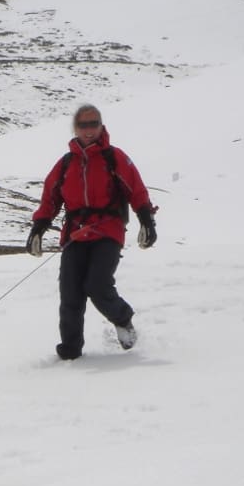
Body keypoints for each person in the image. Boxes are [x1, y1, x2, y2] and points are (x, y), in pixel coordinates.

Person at [26, 104, 157, 360]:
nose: (89, 130)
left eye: (94, 124)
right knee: (70, 291)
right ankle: (70, 350)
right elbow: (50, 199)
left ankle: (123, 319)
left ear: (101, 126)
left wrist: (146, 220)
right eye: (83, 125)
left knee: (97, 285)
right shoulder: (65, 164)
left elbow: (136, 189)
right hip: (75, 233)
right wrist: (38, 228)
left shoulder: (114, 157)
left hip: (107, 230)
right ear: (75, 128)